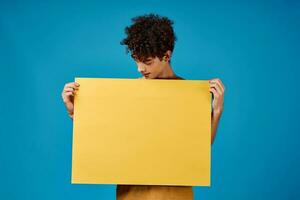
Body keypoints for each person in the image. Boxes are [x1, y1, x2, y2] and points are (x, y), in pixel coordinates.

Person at [61, 13, 225, 200]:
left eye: (147, 62)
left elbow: (198, 148)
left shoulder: (190, 95)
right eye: (136, 60)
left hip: (174, 194)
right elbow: (103, 139)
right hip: (131, 194)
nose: (140, 68)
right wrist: (75, 112)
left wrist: (217, 111)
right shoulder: (128, 94)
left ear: (166, 55)